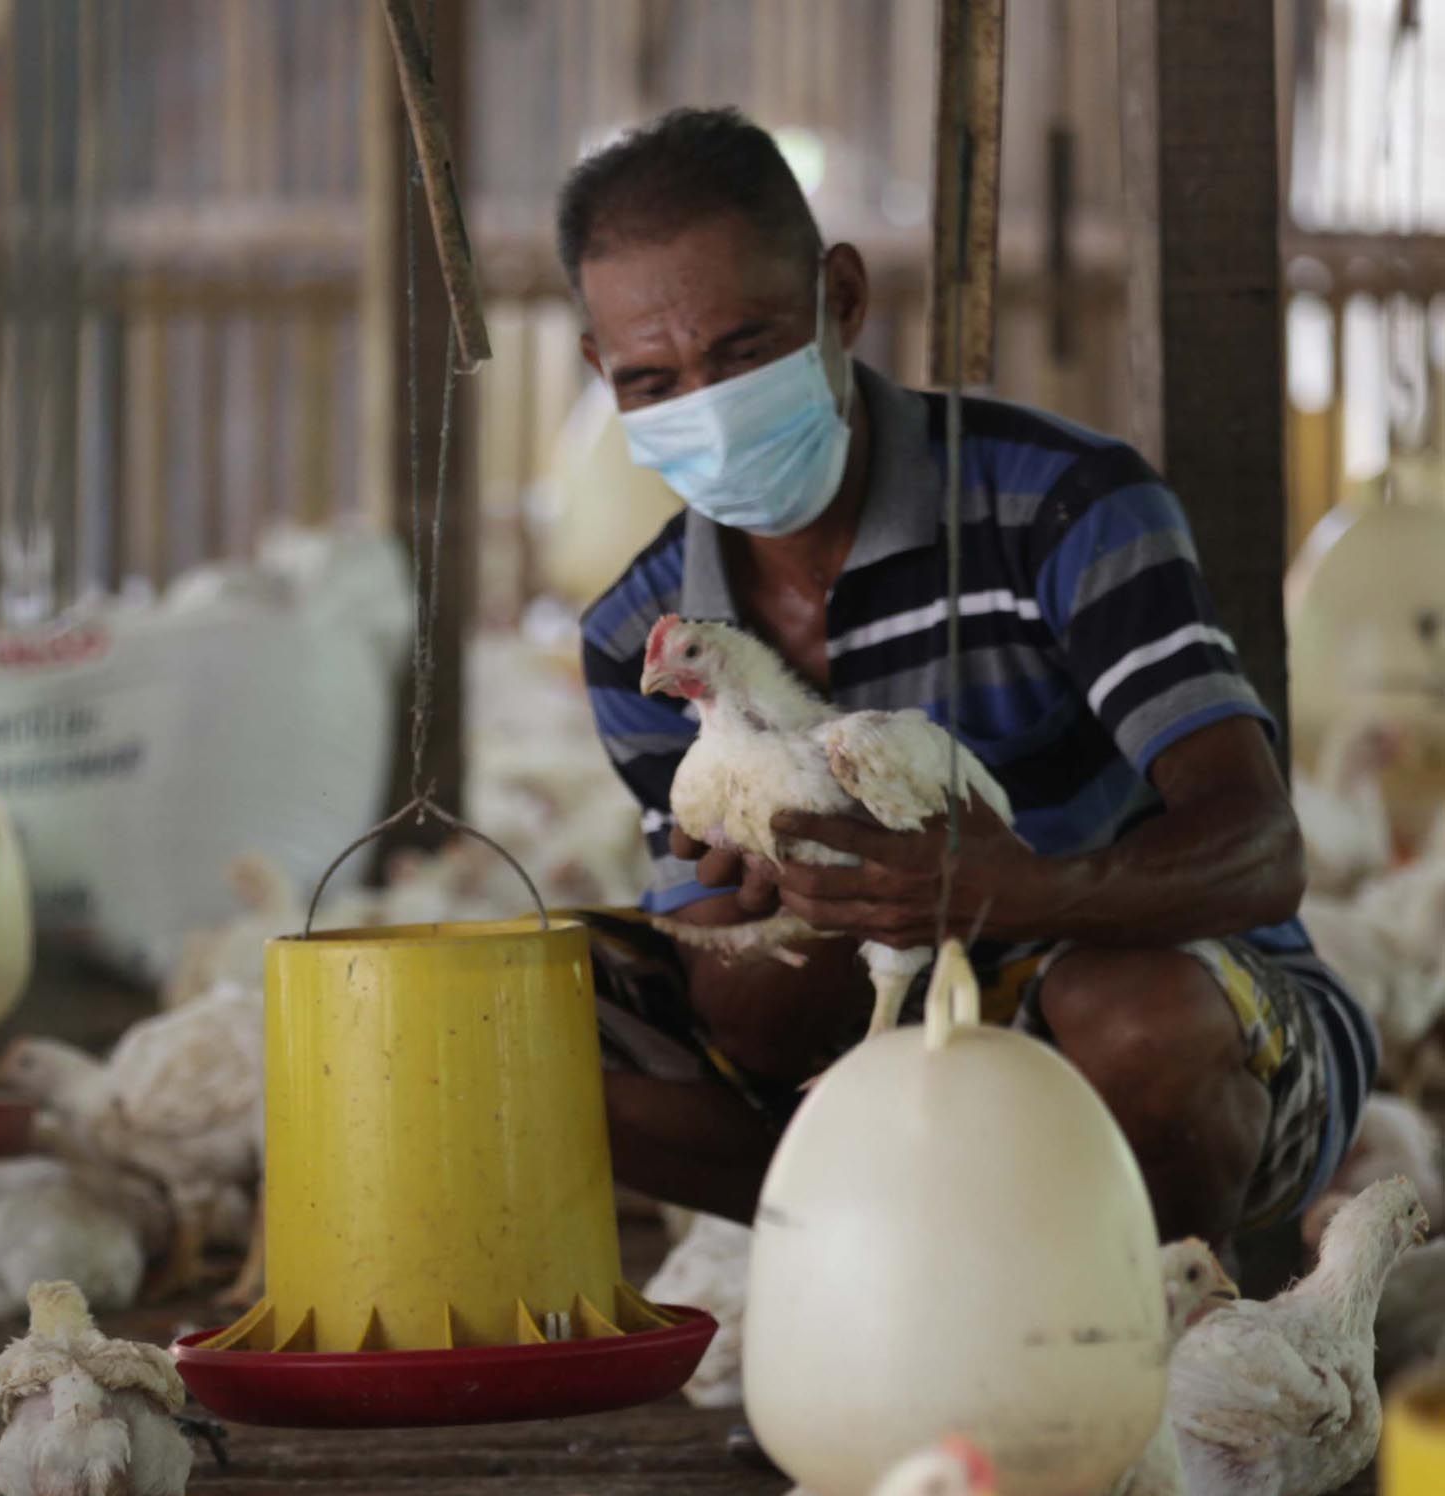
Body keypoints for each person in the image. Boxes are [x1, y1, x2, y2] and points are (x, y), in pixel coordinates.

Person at [565, 107, 1374, 1252]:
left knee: (1132, 1017)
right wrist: (783, 910)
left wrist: (1008, 891)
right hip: (880, 1035)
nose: (706, 404)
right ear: (599, 371)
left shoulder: (1061, 505)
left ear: (840, 298)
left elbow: (1259, 849)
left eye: (741, 352)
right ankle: (902, 1259)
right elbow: (749, 1027)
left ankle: (1141, 1321)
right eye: (652, 378)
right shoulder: (636, 635)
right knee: (520, 1027)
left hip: (1152, 1000)